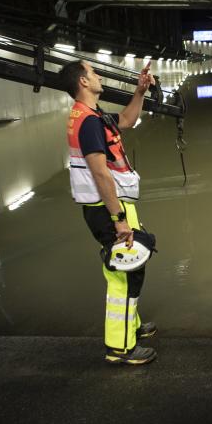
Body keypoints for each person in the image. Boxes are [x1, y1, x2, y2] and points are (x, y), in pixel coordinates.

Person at [59, 59, 158, 365]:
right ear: (83, 82)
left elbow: (126, 120)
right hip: (107, 208)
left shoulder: (92, 115)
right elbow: (100, 174)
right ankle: (121, 347)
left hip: (112, 204)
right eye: (93, 72)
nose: (99, 75)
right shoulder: (88, 122)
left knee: (131, 265)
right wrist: (119, 220)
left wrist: (140, 91)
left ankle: (133, 327)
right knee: (125, 275)